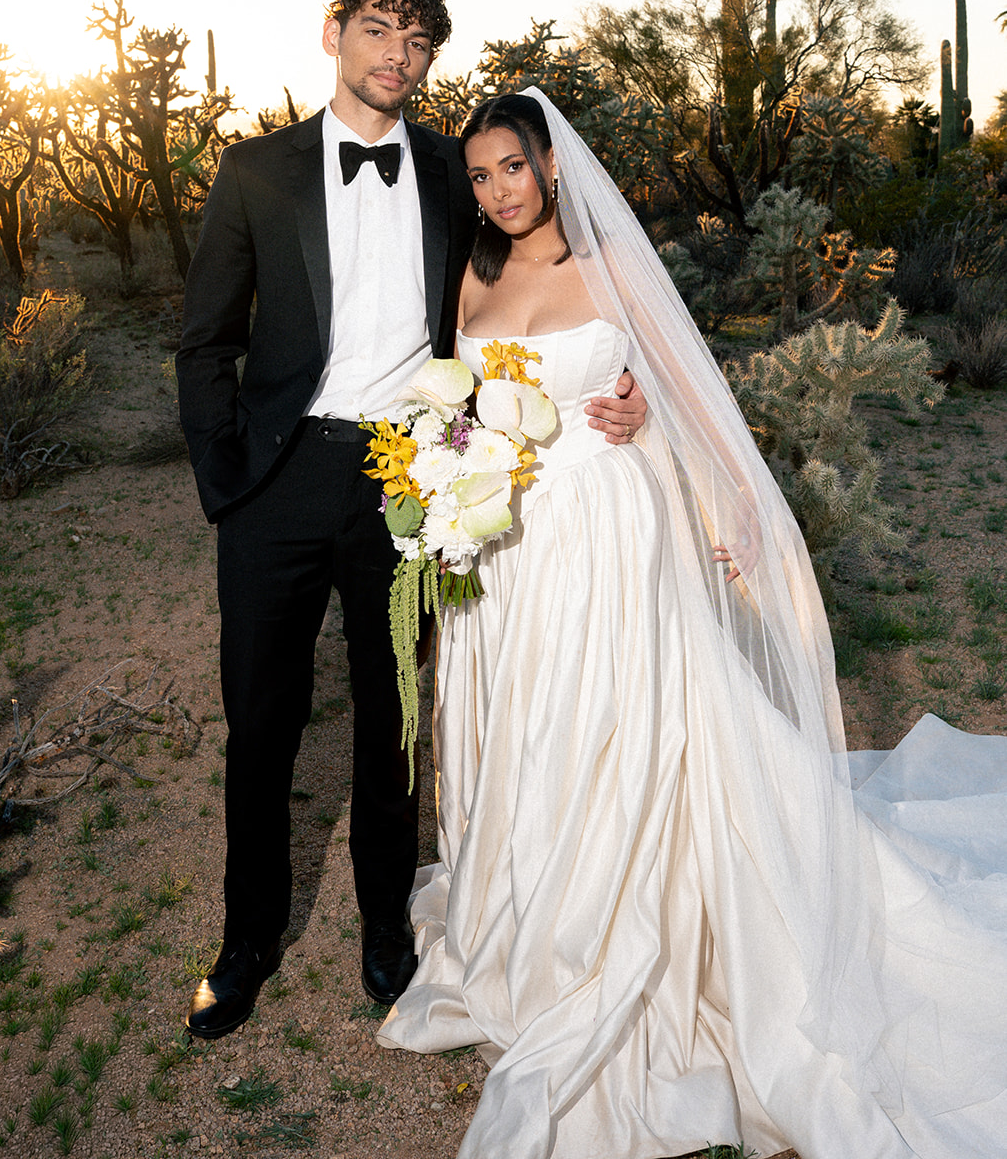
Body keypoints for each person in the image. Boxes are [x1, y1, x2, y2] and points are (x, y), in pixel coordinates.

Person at [379, 89, 1007, 1159]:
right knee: (526, 727)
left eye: (512, 168)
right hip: (503, 546)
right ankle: (525, 906)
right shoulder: (472, 275)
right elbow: (461, 398)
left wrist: (725, 499)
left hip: (604, 533)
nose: (497, 190)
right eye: (479, 175)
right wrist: (443, 473)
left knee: (616, 722)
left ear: (550, 167)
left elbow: (675, 389)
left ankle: (618, 922)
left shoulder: (610, 267)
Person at [175, 0, 645, 1039]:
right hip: (274, 484)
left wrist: (614, 380)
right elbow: (205, 339)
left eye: (418, 41)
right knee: (263, 718)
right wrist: (226, 479)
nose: (397, 54)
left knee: (393, 719)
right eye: (378, 30)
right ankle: (246, 940)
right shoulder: (254, 171)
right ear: (333, 34)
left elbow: (538, 288)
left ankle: (386, 929)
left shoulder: (453, 171)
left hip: (409, 482)